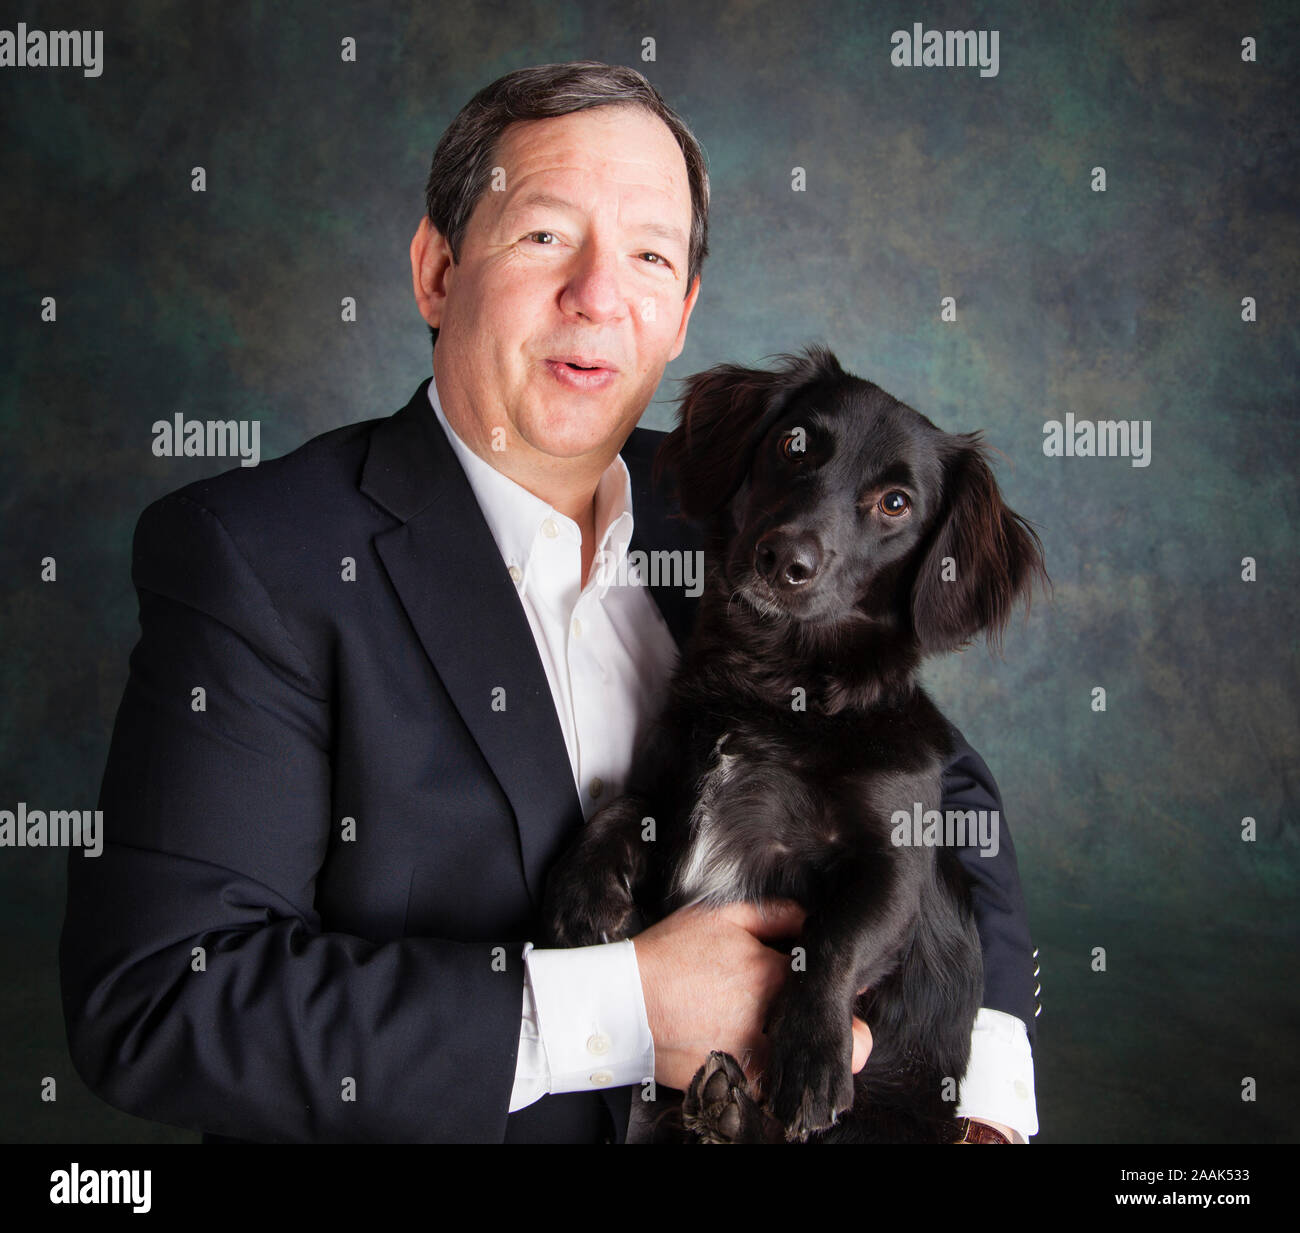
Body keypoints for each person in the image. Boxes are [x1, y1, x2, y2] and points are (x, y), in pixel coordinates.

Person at [59, 60, 1038, 1144]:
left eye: (649, 257)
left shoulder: (740, 507)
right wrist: (619, 1014)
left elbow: (935, 781)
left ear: (680, 316)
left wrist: (985, 1092)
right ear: (437, 271)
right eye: (543, 237)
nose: (599, 296)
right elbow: (160, 1001)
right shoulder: (258, 559)